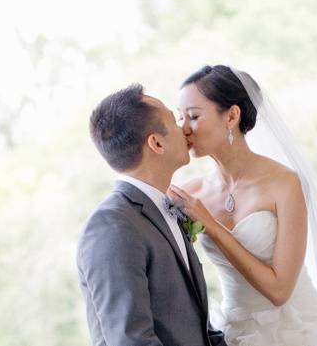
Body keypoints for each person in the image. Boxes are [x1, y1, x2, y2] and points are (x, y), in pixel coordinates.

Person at [171, 65, 317, 346]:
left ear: (232, 115)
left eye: (194, 116)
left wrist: (212, 225)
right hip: (233, 333)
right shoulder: (188, 193)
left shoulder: (285, 183)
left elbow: (280, 290)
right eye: (179, 117)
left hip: (296, 331)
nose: (183, 128)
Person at [77, 83, 227, 346]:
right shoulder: (112, 225)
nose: (185, 129)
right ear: (156, 142)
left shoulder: (167, 208)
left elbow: (198, 327)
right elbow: (131, 340)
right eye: (174, 120)